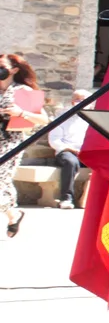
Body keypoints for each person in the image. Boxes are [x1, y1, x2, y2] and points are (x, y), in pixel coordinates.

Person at [0, 54, 48, 237]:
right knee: (2, 185)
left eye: (2, 65)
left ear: (14, 69)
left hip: (10, 143)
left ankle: (13, 214)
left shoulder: (22, 91)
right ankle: (14, 214)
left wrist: (21, 112)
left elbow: (43, 119)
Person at [48, 90, 89, 209]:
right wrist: (71, 149)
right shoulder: (63, 117)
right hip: (67, 151)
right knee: (71, 162)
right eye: (77, 99)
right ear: (72, 102)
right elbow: (54, 140)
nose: (80, 102)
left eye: (83, 100)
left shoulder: (92, 119)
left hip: (87, 152)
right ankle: (67, 198)